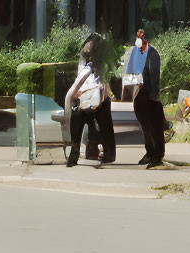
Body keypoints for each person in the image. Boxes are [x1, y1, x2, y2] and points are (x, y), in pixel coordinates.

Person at [63, 34, 115, 167]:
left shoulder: (96, 64)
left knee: (101, 125)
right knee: (96, 124)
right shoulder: (87, 61)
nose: (87, 48)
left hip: (95, 97)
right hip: (88, 96)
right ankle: (90, 151)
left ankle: (101, 152)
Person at [121, 26, 165, 166]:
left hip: (147, 94)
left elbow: (154, 76)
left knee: (153, 126)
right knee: (146, 125)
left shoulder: (152, 53)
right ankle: (151, 152)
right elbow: (125, 74)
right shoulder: (132, 52)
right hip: (138, 94)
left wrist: (154, 96)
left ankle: (156, 155)